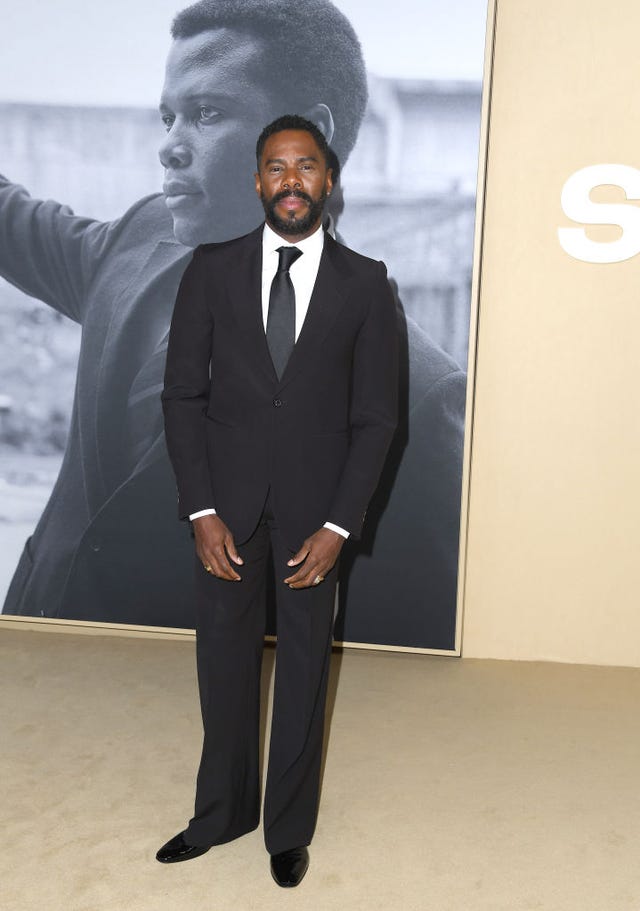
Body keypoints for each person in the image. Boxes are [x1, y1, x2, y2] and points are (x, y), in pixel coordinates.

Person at [0, 0, 465, 651]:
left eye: (207, 113)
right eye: (169, 116)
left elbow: (400, 664)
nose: (169, 146)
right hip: (27, 674)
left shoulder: (412, 391)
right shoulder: (138, 240)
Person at [156, 115, 398, 886]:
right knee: (221, 665)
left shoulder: (367, 282)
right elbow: (182, 395)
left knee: (301, 672)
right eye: (275, 167)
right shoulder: (211, 268)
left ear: (329, 180)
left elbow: (377, 419)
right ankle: (222, 811)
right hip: (222, 513)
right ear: (257, 180)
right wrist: (199, 509)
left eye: (305, 166)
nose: (290, 180)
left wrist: (338, 524)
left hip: (314, 520)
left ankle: (287, 828)